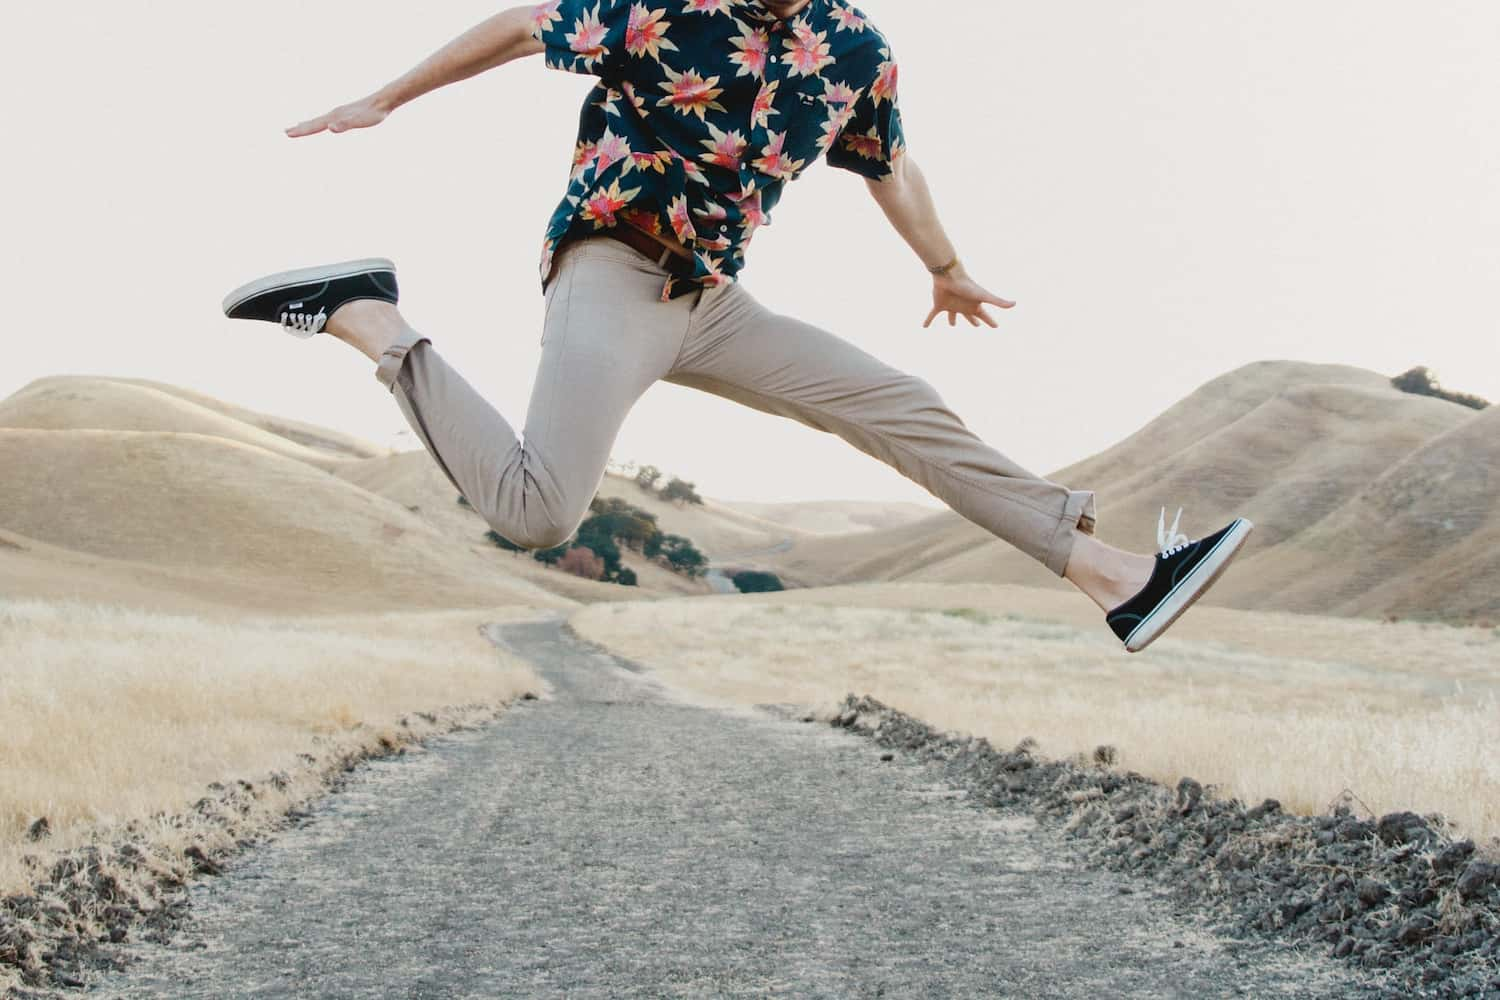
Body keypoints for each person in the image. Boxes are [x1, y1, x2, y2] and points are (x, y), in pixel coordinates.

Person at [221, 0, 1252, 652]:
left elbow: (890, 166)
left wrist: (945, 267)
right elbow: (524, 25)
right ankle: (367, 314)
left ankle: (1115, 578)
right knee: (538, 513)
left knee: (897, 403)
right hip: (612, 273)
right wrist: (385, 98)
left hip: (713, 305)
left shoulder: (853, 49)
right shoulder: (670, 11)